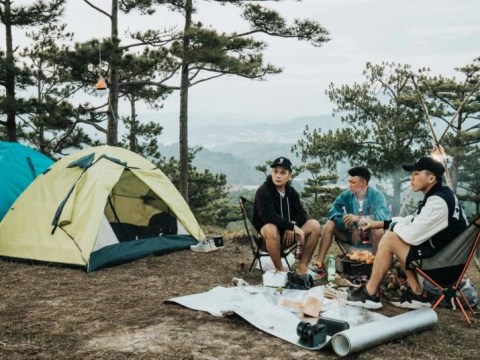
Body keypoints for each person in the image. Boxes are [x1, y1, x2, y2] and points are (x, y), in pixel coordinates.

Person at [347, 157, 468, 310]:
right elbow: (412, 220)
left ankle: (370, 293)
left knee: (391, 238)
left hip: (443, 267)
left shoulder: (438, 202)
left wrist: (392, 227)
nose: (411, 177)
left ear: (431, 178)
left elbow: (411, 235)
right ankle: (417, 293)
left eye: (416, 174)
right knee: (398, 236)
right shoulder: (442, 195)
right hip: (446, 259)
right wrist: (379, 224)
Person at [252, 156, 320, 275]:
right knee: (270, 228)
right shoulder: (263, 191)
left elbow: (302, 214)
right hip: (266, 239)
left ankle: (302, 267)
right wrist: (291, 227)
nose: (278, 176)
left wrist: (292, 225)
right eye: (275, 171)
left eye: (283, 172)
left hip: (288, 237)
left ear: (290, 175)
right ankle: (280, 270)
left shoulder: (292, 192)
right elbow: (269, 216)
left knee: (314, 225)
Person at [314, 166, 390, 272]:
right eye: (349, 182)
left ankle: (376, 266)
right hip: (350, 236)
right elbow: (333, 212)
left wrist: (359, 219)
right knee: (330, 224)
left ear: (363, 183)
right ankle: (319, 263)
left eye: (353, 182)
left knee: (378, 229)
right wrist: (349, 223)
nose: (349, 185)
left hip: (370, 238)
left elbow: (383, 216)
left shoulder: (377, 196)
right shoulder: (346, 195)